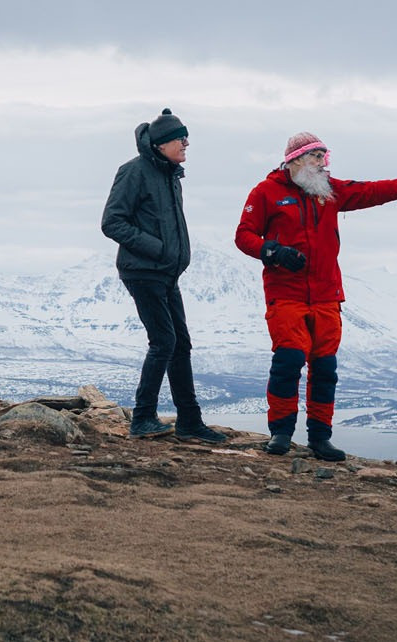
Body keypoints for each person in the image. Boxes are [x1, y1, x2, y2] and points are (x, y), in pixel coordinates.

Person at [234, 131, 397, 461]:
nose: (323, 163)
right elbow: (244, 235)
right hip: (286, 293)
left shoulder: (329, 190)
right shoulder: (266, 192)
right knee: (288, 362)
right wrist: (274, 251)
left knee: (325, 368)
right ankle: (281, 433)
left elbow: (371, 191)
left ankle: (320, 438)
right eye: (316, 156)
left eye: (324, 156)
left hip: (326, 294)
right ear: (295, 160)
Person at [101, 108, 226, 442]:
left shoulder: (170, 175)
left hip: (167, 274)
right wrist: (157, 249)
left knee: (180, 343)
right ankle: (142, 418)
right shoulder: (134, 171)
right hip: (143, 271)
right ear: (161, 143)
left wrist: (172, 257)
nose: (186, 144)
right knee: (164, 342)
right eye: (180, 138)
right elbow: (111, 222)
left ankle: (189, 422)